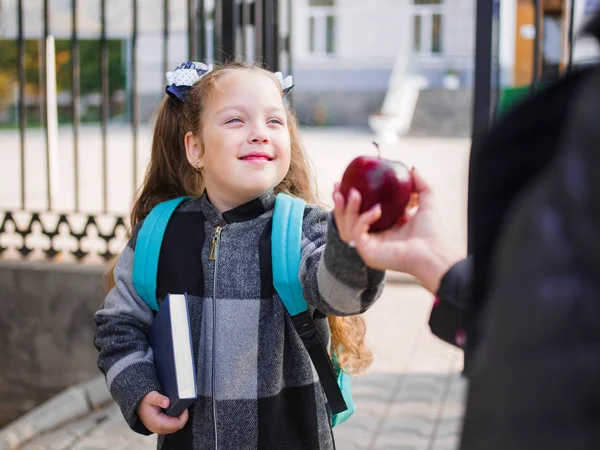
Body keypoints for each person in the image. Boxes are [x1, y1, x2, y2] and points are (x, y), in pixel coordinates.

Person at [94, 61, 386, 450]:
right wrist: (140, 390)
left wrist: (350, 246)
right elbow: (119, 325)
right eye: (236, 120)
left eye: (274, 122)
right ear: (195, 148)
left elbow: (341, 294)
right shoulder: (160, 232)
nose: (259, 135)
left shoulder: (303, 228)